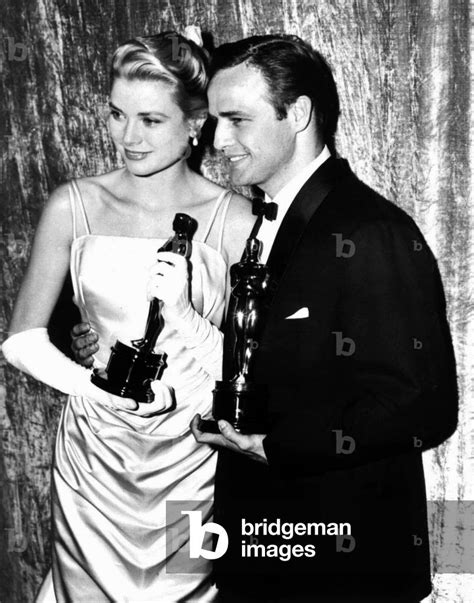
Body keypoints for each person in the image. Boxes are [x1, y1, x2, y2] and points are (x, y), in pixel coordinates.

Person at [187, 35, 458, 602]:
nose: (217, 140)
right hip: (267, 551)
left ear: (301, 114)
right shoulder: (266, 222)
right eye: (214, 120)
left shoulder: (370, 231)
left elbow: (423, 406)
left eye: (236, 119)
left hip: (342, 570)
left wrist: (274, 445)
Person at [2, 31, 254, 601]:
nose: (127, 136)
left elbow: (255, 368)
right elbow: (21, 340)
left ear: (196, 124)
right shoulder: (74, 203)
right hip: (95, 454)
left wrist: (189, 320)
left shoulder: (236, 220)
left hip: (192, 454)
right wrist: (97, 388)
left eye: (151, 120)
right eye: (118, 114)